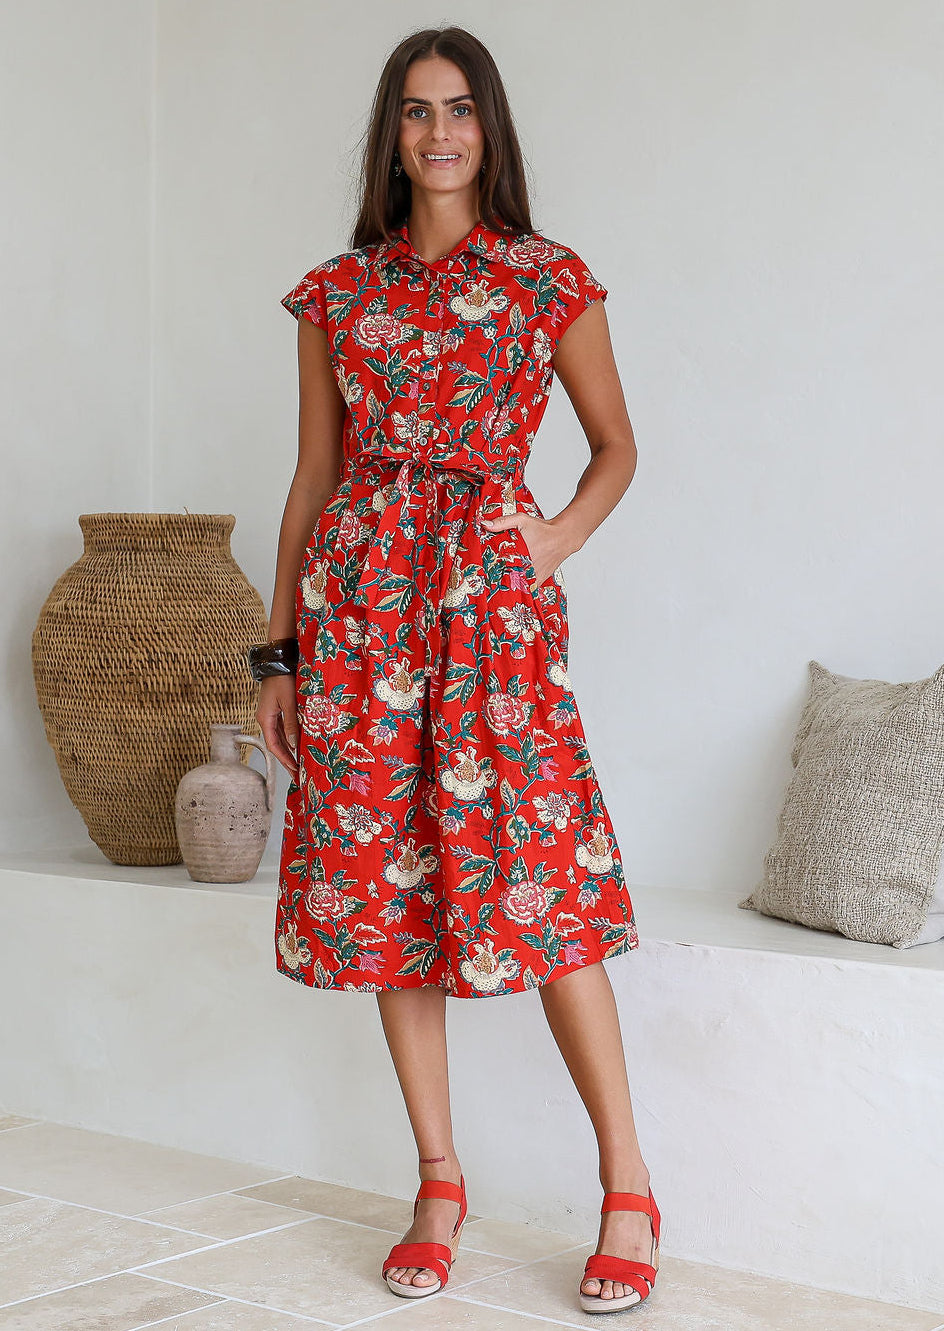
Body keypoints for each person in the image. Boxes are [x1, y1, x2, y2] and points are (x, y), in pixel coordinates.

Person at [252, 24, 659, 1316]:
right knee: (388, 901)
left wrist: (546, 545)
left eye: (460, 109)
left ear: (490, 129)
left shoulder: (550, 281)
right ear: (394, 133)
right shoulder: (338, 295)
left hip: (488, 623)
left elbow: (615, 447)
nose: (438, 133)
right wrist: (281, 651)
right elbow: (314, 480)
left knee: (547, 894)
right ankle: (437, 1184)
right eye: (418, 111)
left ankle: (629, 1187)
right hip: (363, 624)